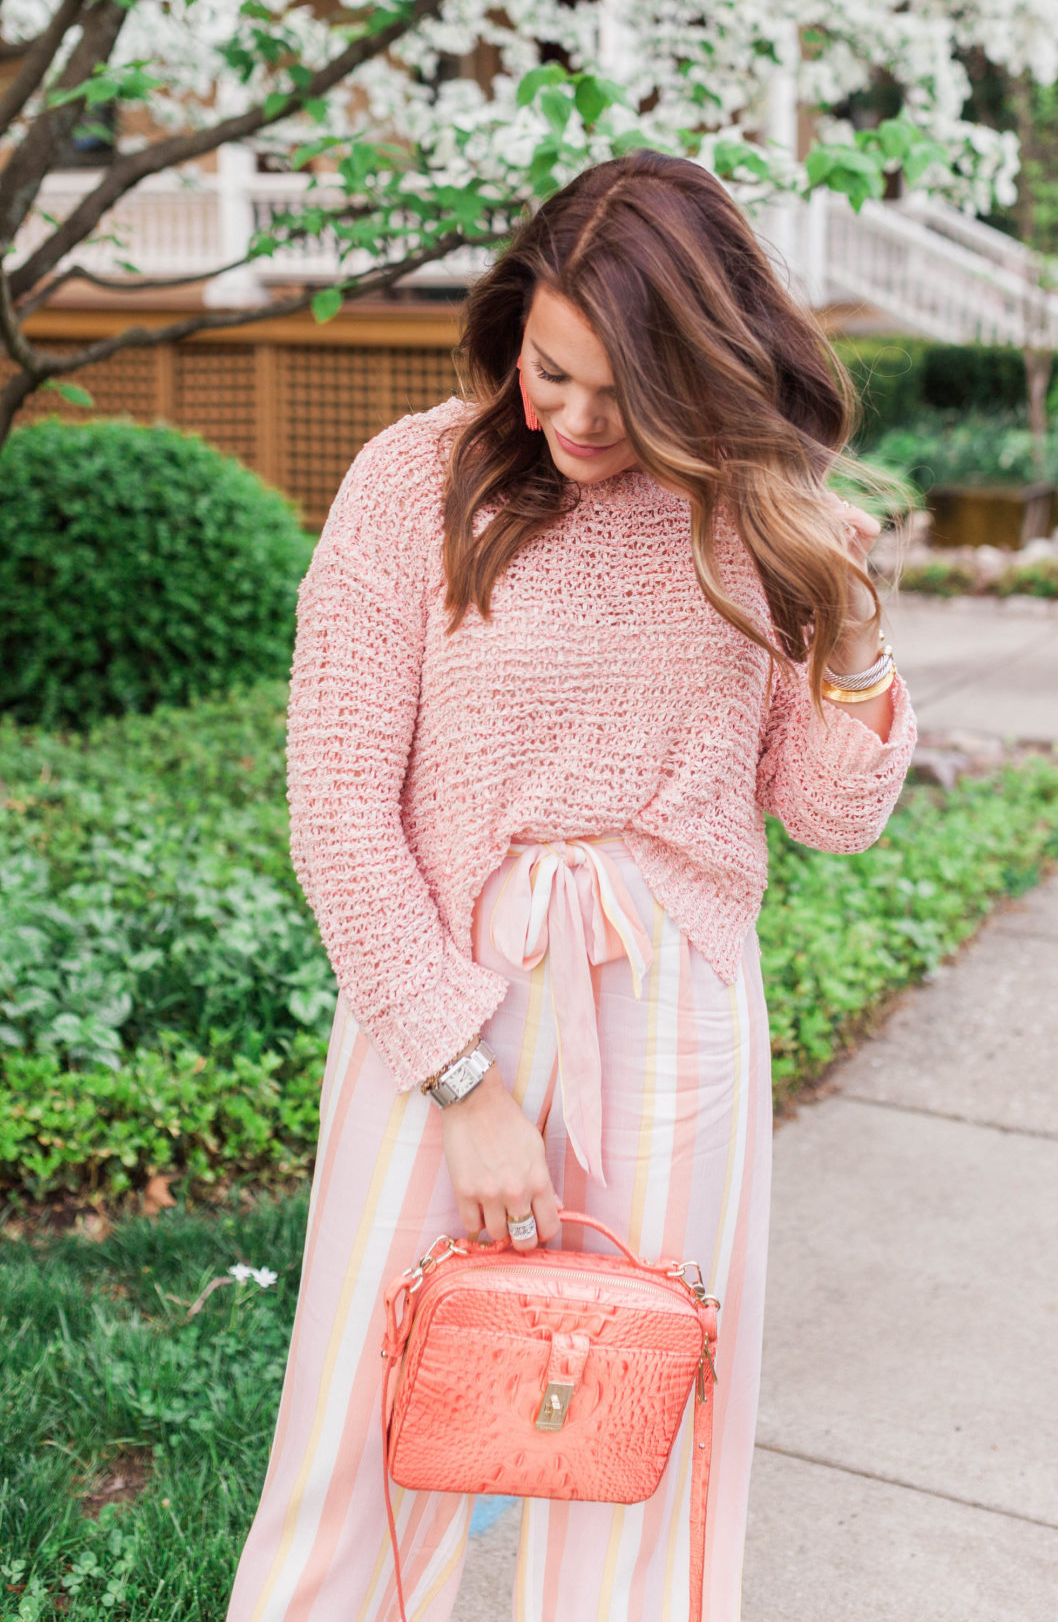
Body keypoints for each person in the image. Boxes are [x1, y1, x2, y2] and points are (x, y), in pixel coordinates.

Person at [227, 151, 916, 1622]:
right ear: (509, 331)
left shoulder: (755, 512)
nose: (581, 420)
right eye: (551, 371)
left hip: (676, 1014)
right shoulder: (417, 479)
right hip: (442, 991)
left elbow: (830, 816)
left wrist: (851, 644)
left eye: (628, 391)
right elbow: (340, 803)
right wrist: (462, 1083)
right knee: (359, 1425)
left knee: (634, 1434)